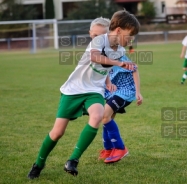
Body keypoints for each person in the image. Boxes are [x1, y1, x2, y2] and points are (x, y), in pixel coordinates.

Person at [27, 10, 140, 179]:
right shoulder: (99, 40)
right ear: (118, 30)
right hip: (73, 90)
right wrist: (119, 63)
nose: (132, 40)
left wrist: (109, 80)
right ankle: (38, 164)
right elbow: (96, 58)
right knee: (57, 132)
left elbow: (108, 66)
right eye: (130, 35)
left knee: (97, 116)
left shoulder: (120, 50)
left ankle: (73, 160)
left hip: (94, 91)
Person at [88, 17, 143, 164]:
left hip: (125, 91)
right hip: (113, 91)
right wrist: (108, 83)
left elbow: (134, 68)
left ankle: (120, 148)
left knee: (105, 116)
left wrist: (138, 92)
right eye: (94, 36)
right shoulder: (101, 51)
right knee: (107, 118)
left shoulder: (118, 52)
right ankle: (108, 149)